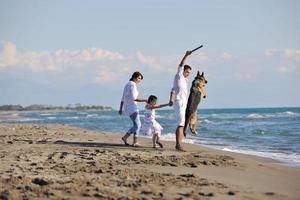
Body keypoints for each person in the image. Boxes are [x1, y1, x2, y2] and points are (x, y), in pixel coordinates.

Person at [169, 51, 193, 151]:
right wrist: (186, 55)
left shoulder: (184, 80)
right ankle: (178, 145)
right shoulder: (179, 75)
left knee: (182, 123)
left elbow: (173, 90)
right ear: (183, 71)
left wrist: (170, 100)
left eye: (189, 73)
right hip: (179, 102)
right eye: (187, 72)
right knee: (181, 124)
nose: (188, 74)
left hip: (182, 103)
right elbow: (181, 64)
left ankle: (178, 144)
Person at [119, 71, 147, 147]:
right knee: (138, 125)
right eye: (139, 78)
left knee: (136, 125)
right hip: (132, 107)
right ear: (135, 77)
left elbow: (122, 98)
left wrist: (121, 108)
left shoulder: (127, 84)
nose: (140, 80)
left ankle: (135, 142)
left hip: (127, 107)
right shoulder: (133, 85)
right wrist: (145, 100)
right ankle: (125, 137)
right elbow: (135, 98)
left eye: (140, 79)